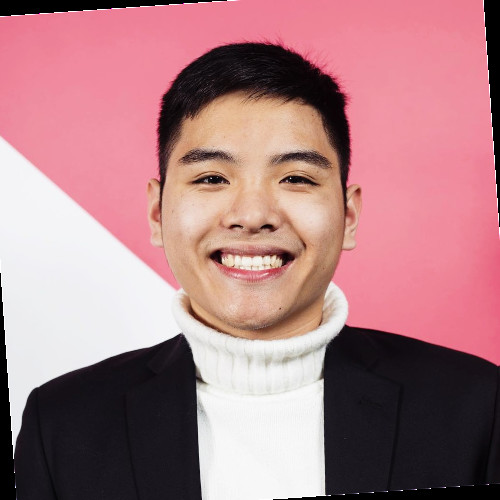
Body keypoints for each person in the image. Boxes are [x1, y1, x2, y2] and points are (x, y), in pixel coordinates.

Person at [14, 42, 500, 499]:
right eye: (211, 177)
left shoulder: (476, 408)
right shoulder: (61, 426)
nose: (252, 215)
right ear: (157, 213)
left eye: (295, 177)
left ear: (348, 216)